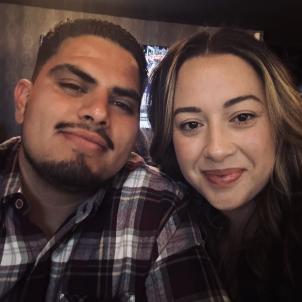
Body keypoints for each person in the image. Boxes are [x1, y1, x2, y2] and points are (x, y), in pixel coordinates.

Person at [0, 19, 230, 301]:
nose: (98, 112)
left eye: (122, 104)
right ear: (24, 100)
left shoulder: (158, 207)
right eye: (73, 86)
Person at [148, 28, 302, 302]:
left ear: (280, 120)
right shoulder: (173, 220)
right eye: (191, 125)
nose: (217, 150)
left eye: (242, 117)